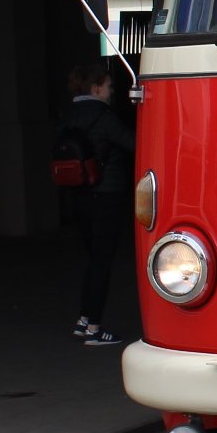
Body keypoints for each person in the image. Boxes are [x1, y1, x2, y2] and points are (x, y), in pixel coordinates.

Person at [61, 61, 136, 345]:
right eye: (109, 86)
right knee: (102, 263)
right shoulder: (103, 117)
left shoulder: (69, 116)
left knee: (93, 260)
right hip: (106, 195)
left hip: (78, 195)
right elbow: (133, 142)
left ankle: (83, 319)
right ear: (96, 88)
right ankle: (94, 328)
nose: (112, 91)